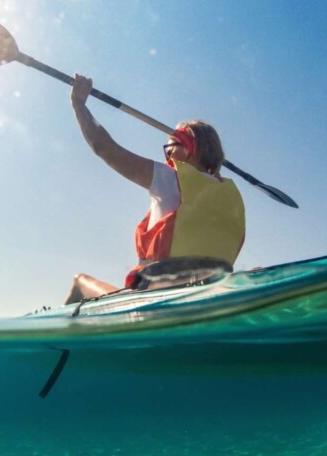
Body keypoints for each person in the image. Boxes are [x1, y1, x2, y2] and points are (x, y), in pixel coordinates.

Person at [64, 74, 246, 304]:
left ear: (188, 148)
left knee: (80, 281)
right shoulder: (232, 197)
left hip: (156, 297)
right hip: (210, 297)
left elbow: (103, 148)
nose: (167, 153)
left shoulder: (169, 178)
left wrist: (79, 105)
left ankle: (57, 336)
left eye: (170, 145)